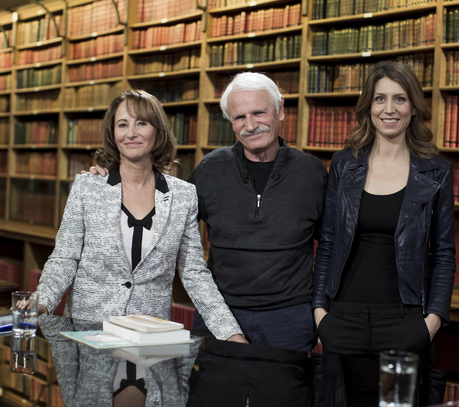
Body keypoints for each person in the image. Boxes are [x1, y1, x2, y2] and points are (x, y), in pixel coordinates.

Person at [90, 74, 327, 352]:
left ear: (281, 110)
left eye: (259, 113)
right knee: (215, 395)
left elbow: (330, 249)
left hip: (288, 319)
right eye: (239, 117)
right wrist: (110, 179)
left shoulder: (311, 173)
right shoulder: (211, 168)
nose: (250, 125)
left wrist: (321, 311)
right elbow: (162, 214)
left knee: (285, 395)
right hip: (218, 313)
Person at [35, 89, 245, 345]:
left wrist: (230, 332)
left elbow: (194, 273)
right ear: (113, 134)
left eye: (141, 123)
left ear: (158, 131)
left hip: (150, 340)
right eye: (122, 124)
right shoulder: (87, 187)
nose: (131, 133)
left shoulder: (184, 195)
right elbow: (65, 259)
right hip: (88, 335)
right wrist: (41, 302)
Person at [311, 61, 456, 405]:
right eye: (380, 99)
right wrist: (320, 313)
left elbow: (444, 254)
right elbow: (328, 242)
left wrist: (432, 321)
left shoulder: (437, 171)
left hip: (406, 322)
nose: (389, 109)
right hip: (342, 320)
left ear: (414, 107)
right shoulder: (344, 164)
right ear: (368, 106)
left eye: (400, 99)